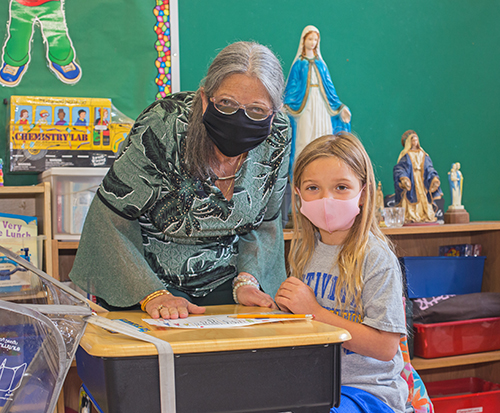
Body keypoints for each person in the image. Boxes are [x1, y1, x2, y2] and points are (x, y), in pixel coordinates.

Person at [69, 41, 291, 320]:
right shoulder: (163, 125)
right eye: (226, 103)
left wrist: (247, 280)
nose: (240, 117)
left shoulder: (277, 135)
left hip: (228, 280)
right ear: (204, 99)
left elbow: (265, 222)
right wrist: (152, 293)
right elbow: (111, 218)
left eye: (257, 110)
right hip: (145, 280)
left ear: (274, 112)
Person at [275, 133, 432, 413]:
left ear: (363, 193)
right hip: (317, 385)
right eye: (313, 188)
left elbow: (385, 347)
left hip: (369, 393)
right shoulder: (303, 252)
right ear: (297, 194)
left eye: (341, 187)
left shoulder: (375, 258)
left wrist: (315, 312)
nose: (327, 199)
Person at [283, 25, 351, 175]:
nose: (313, 42)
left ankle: (325, 173)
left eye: (315, 39)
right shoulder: (298, 64)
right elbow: (292, 87)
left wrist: (340, 108)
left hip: (321, 106)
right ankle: (303, 175)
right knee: (305, 138)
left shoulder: (321, 65)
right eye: (310, 39)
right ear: (304, 40)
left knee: (324, 139)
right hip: (304, 107)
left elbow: (329, 89)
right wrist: (286, 104)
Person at [393, 130, 442, 223]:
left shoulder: (423, 154)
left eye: (416, 140)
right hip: (411, 179)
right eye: (413, 140)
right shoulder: (406, 155)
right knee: (411, 196)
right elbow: (400, 168)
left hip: (422, 180)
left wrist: (434, 178)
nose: (415, 142)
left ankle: (425, 215)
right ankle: (411, 216)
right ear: (409, 142)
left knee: (424, 197)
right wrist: (404, 178)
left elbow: (429, 167)